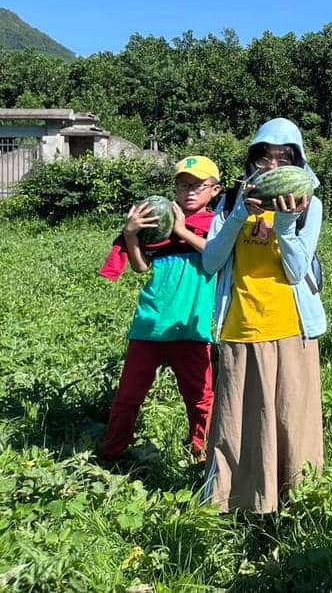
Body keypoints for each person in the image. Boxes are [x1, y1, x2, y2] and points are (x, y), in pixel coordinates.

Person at [201, 118, 326, 514]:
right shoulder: (229, 203)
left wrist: (285, 226)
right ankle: (232, 503)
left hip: (290, 327)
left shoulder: (310, 205)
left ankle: (295, 502)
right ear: (252, 160)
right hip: (240, 325)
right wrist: (237, 215)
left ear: (297, 161)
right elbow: (210, 262)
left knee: (291, 419)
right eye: (264, 156)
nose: (272, 166)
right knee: (236, 423)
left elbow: (295, 270)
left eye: (283, 157)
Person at [96, 156, 222, 462]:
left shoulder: (218, 226)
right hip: (149, 323)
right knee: (128, 396)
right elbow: (140, 267)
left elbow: (215, 255)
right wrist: (130, 234)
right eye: (183, 185)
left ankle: (202, 455)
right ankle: (111, 452)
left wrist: (181, 230)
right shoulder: (159, 225)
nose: (189, 192)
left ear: (215, 190)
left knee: (200, 398)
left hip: (191, 327)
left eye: (198, 186)